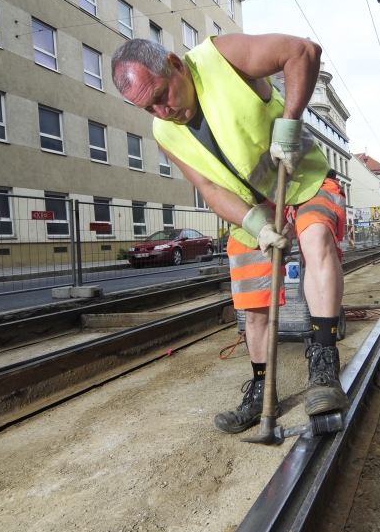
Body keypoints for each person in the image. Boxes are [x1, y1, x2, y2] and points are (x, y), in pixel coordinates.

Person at [111, 34, 349, 434]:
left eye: (163, 94)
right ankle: (262, 389)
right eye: (148, 106)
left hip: (304, 180)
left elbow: (302, 52)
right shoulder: (164, 132)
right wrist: (256, 226)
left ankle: (323, 364)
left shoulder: (221, 57)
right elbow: (210, 190)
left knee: (315, 239)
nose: (162, 110)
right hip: (254, 209)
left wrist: (289, 124)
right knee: (252, 298)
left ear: (175, 63)